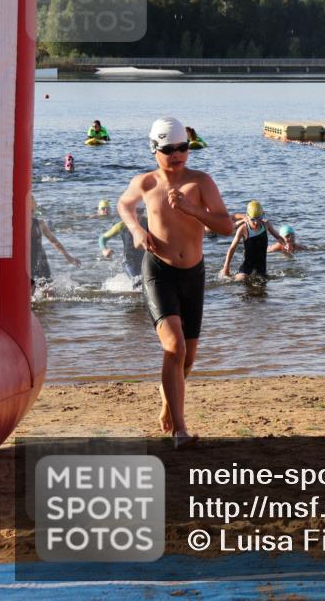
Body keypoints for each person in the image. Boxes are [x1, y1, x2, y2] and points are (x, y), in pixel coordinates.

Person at [116, 117, 233, 447]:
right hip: (158, 272)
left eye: (184, 147)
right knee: (174, 347)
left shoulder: (200, 182)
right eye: (169, 149)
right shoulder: (146, 183)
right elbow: (124, 205)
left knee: (189, 358)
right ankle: (180, 431)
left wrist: (193, 210)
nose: (178, 154)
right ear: (155, 149)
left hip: (193, 275)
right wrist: (138, 230)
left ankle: (169, 400)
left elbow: (225, 225)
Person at [220, 200, 287, 280]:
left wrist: (286, 245)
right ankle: (230, 278)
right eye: (253, 219)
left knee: (263, 282)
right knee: (243, 278)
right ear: (247, 216)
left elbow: (278, 237)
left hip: (261, 266)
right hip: (247, 266)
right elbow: (232, 248)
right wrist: (226, 267)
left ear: (263, 215)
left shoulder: (266, 225)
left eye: (259, 218)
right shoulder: (243, 229)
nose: (256, 222)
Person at [30, 195, 82, 293]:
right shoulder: (16, 224)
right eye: (28, 210)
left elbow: (54, 241)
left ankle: (49, 307)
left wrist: (68, 257)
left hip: (41, 260)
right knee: (31, 291)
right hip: (26, 262)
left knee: (49, 290)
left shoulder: (40, 223)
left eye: (32, 210)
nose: (31, 213)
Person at [99, 206, 149, 288]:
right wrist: (104, 250)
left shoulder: (147, 222)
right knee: (137, 282)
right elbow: (102, 238)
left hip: (143, 259)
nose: (139, 215)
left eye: (141, 211)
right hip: (128, 261)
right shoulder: (121, 225)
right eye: (136, 211)